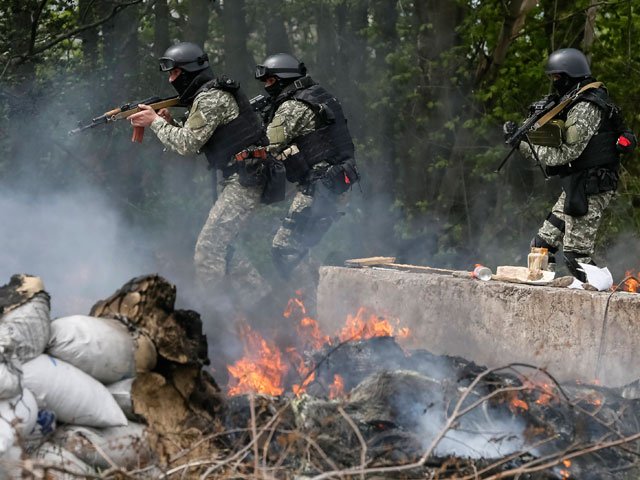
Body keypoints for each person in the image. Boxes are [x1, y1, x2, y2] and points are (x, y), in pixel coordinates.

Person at [129, 42, 278, 300]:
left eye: (174, 72)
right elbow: (196, 140)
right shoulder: (207, 96)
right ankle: (263, 304)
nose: (170, 78)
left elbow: (187, 144)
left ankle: (217, 319)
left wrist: (153, 122)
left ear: (189, 71)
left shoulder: (210, 97)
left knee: (209, 249)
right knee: (227, 249)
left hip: (247, 177)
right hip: (244, 175)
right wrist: (168, 123)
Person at [510, 48, 636, 282]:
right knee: (541, 247)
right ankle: (541, 298)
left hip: (591, 186)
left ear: (571, 76)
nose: (555, 82)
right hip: (577, 184)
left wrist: (525, 147)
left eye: (558, 77)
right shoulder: (571, 99)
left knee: (577, 257)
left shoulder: (587, 106)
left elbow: (566, 153)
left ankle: (609, 297)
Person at [254, 53, 360, 278]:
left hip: (320, 187)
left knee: (285, 251)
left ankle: (312, 305)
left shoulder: (293, 106)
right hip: (336, 181)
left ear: (284, 79)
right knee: (303, 250)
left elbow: (267, 144)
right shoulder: (320, 96)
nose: (266, 86)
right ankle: (315, 300)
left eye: (270, 81)